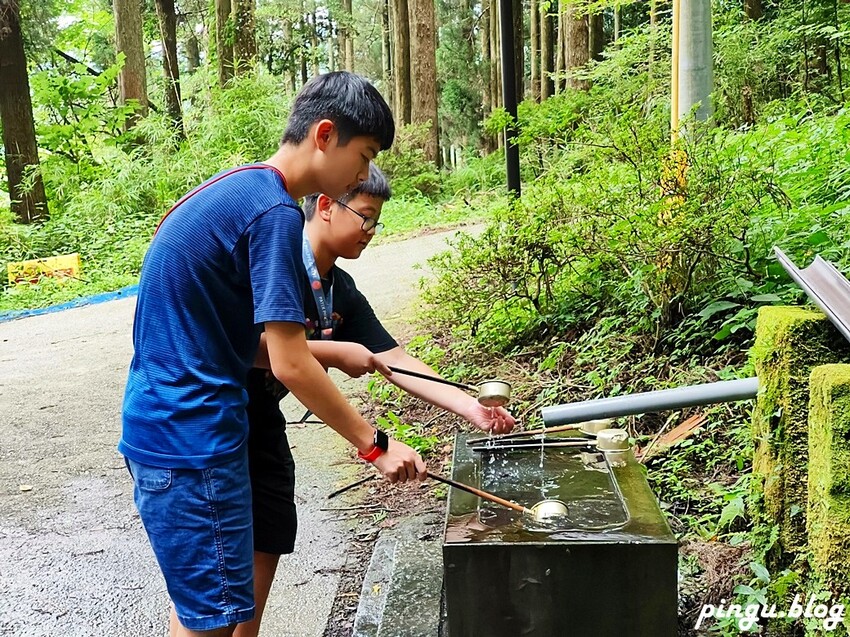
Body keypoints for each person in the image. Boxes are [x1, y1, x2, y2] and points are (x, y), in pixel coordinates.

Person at [120, 72, 427, 637]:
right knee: (211, 623)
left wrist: (334, 352)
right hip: (194, 439)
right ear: (325, 135)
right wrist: (375, 445)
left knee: (209, 613)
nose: (363, 174)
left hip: (168, 431)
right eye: (364, 156)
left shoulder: (238, 190)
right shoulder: (274, 214)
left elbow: (235, 341)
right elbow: (290, 362)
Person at [240, 163, 516, 637]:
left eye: (377, 221)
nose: (370, 230)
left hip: (263, 425)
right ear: (326, 206)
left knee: (264, 547)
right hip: (216, 423)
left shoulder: (340, 289)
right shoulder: (277, 261)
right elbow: (245, 345)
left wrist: (472, 408)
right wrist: (334, 356)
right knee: (216, 585)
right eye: (365, 216)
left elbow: (396, 360)